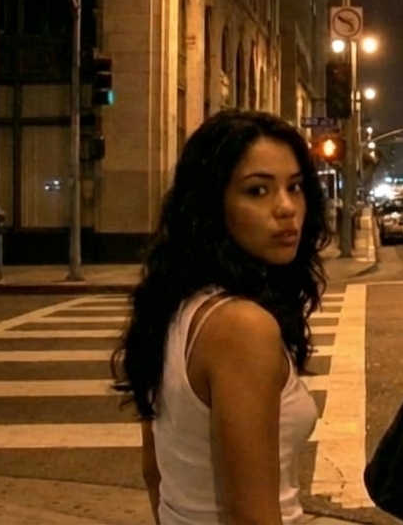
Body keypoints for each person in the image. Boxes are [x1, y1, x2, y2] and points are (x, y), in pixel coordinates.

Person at [111, 109, 329, 525]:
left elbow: (155, 473)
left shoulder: (174, 306)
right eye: (257, 190)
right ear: (212, 205)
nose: (287, 208)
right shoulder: (242, 327)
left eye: (295, 186)